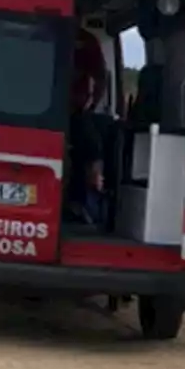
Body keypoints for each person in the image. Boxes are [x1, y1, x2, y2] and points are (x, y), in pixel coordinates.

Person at [66, 28, 108, 225]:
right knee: (91, 147)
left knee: (92, 148)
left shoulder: (87, 41)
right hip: (56, 111)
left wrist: (88, 106)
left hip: (75, 111)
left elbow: (100, 78)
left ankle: (84, 201)